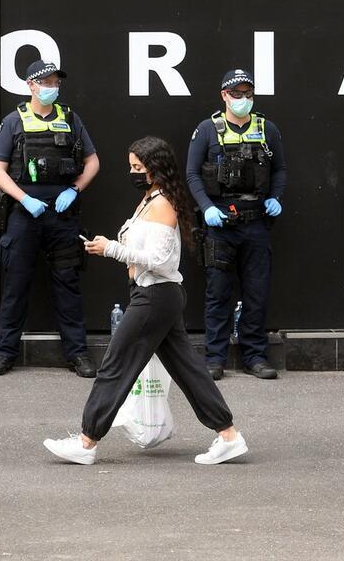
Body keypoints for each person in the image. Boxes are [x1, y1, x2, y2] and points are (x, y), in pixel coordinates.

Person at [43, 136, 248, 465]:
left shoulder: (161, 203)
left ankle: (86, 442)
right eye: (130, 167)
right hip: (155, 295)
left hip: (155, 296)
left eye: (138, 167)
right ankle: (229, 435)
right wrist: (111, 247)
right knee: (189, 369)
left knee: (115, 365)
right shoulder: (151, 198)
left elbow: (160, 260)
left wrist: (110, 248)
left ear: (155, 168)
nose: (133, 172)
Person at [0, 60, 101, 378]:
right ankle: (4, 353)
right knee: (15, 285)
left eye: (56, 82)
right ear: (31, 85)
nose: (52, 87)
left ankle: (77, 355)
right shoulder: (13, 121)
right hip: (25, 212)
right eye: (46, 82)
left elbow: (93, 162)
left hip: (62, 213)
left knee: (68, 285)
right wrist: (23, 198)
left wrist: (75, 190)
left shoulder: (71, 119)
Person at [186, 69, 287, 381]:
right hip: (220, 224)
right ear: (224, 95)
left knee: (256, 292)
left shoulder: (267, 128)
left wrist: (276, 197)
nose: (243, 99)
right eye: (236, 93)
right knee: (218, 292)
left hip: (256, 222)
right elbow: (191, 173)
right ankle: (214, 357)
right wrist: (206, 209)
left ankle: (254, 356)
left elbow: (280, 169)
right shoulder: (207, 129)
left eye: (247, 93)